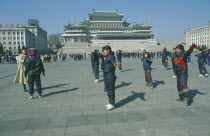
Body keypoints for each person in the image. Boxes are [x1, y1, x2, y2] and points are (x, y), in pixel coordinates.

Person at [99, 45, 121, 110]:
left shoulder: (111, 56)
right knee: (108, 88)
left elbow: (114, 62)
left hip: (110, 74)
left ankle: (112, 103)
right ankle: (110, 102)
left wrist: (116, 64)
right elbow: (100, 55)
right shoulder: (106, 56)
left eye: (104, 50)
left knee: (111, 89)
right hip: (106, 73)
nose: (103, 51)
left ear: (108, 50)